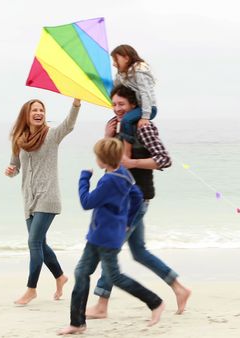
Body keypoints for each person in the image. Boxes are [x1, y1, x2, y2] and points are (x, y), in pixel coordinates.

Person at [86, 85, 191, 319]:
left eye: (121, 104)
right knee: (139, 252)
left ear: (134, 105)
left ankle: (102, 305)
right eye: (114, 104)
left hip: (136, 198)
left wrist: (133, 163)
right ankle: (179, 289)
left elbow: (164, 159)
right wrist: (107, 136)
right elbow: (111, 161)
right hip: (120, 199)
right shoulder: (118, 126)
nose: (117, 109)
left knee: (108, 250)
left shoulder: (144, 127)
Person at [58, 138, 165, 335]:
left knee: (115, 277)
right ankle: (77, 322)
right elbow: (136, 196)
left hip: (106, 238)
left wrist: (84, 178)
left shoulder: (110, 180)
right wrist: (127, 220)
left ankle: (155, 302)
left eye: (97, 157)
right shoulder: (124, 175)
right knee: (81, 272)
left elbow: (86, 202)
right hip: (99, 235)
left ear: (103, 160)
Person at [4, 97, 81, 305]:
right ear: (26, 115)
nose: (39, 113)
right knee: (41, 243)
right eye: (34, 110)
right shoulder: (19, 141)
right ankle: (60, 277)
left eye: (41, 110)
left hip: (48, 196)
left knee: (33, 242)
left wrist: (76, 103)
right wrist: (10, 171)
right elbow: (15, 167)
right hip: (29, 199)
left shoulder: (51, 136)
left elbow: (69, 125)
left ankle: (31, 289)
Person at [110, 44, 158, 157]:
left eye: (116, 59)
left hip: (149, 108)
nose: (113, 63)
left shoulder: (139, 71)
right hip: (136, 108)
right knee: (117, 122)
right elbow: (115, 87)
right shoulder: (122, 74)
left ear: (126, 58)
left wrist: (145, 116)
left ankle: (127, 152)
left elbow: (145, 93)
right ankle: (119, 148)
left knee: (126, 121)